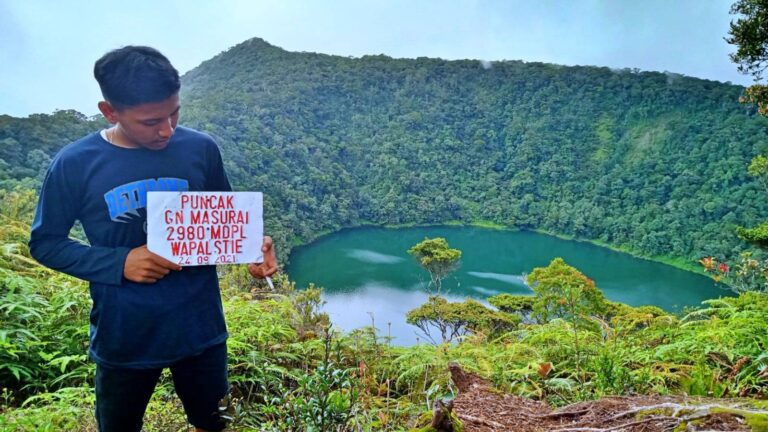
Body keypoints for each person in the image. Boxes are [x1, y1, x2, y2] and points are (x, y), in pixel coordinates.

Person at [28, 45, 278, 432]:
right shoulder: (75, 163)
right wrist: (120, 262)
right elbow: (45, 242)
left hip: (201, 329)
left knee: (216, 423)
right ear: (109, 111)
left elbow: (224, 218)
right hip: (125, 335)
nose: (167, 130)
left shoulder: (200, 148)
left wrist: (251, 247)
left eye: (174, 113)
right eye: (149, 122)